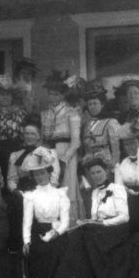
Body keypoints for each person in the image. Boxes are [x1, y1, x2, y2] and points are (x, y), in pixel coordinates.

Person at [56, 157, 139, 278]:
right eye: (92, 173)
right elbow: (94, 216)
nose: (96, 176)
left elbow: (124, 217)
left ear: (106, 172)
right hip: (100, 229)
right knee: (76, 236)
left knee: (82, 239)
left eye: (99, 172)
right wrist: (89, 222)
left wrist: (102, 223)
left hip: (118, 229)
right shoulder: (94, 193)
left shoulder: (117, 189)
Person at [20, 147, 69, 278]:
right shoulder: (30, 196)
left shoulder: (60, 193)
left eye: (42, 173)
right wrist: (26, 240)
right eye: (36, 174)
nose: (39, 177)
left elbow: (65, 219)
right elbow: (27, 221)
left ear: (49, 173)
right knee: (40, 256)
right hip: (39, 231)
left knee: (58, 254)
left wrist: (57, 232)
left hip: (57, 230)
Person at [39, 71, 81, 214]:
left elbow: (76, 141)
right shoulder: (45, 114)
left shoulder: (71, 112)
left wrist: (65, 158)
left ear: (63, 95)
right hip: (49, 152)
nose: (53, 97)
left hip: (66, 151)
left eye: (57, 94)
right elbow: (42, 139)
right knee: (50, 186)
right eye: (51, 94)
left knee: (67, 187)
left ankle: (71, 225)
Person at [0, 75, 27, 180]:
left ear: (12, 97)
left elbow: (25, 138)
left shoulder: (21, 114)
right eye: (2, 94)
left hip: (15, 153)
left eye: (8, 94)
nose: (5, 97)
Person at [81, 83, 121, 169]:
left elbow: (116, 149)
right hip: (88, 165)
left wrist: (114, 165)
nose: (92, 107)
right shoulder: (87, 124)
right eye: (90, 104)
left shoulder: (111, 122)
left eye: (95, 103)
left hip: (106, 164)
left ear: (102, 104)